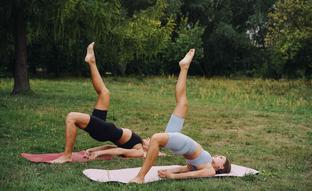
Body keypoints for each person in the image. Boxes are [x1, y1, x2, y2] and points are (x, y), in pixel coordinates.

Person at [130, 49, 231, 183]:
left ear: (221, 167)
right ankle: (184, 68)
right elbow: (186, 168)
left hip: (184, 144)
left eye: (221, 158)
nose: (217, 156)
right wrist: (170, 172)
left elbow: (192, 174)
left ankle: (140, 177)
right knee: (182, 103)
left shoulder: (210, 170)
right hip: (181, 142)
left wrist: (173, 176)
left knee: (156, 138)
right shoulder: (202, 164)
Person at [50, 42, 158, 163]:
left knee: (71, 117)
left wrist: (98, 153)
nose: (149, 139)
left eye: (151, 141)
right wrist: (93, 149)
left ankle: (67, 155)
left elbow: (119, 151)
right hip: (104, 129)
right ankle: (91, 61)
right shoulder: (138, 143)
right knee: (105, 93)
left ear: (149, 149)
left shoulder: (139, 151)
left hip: (104, 131)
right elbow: (112, 147)